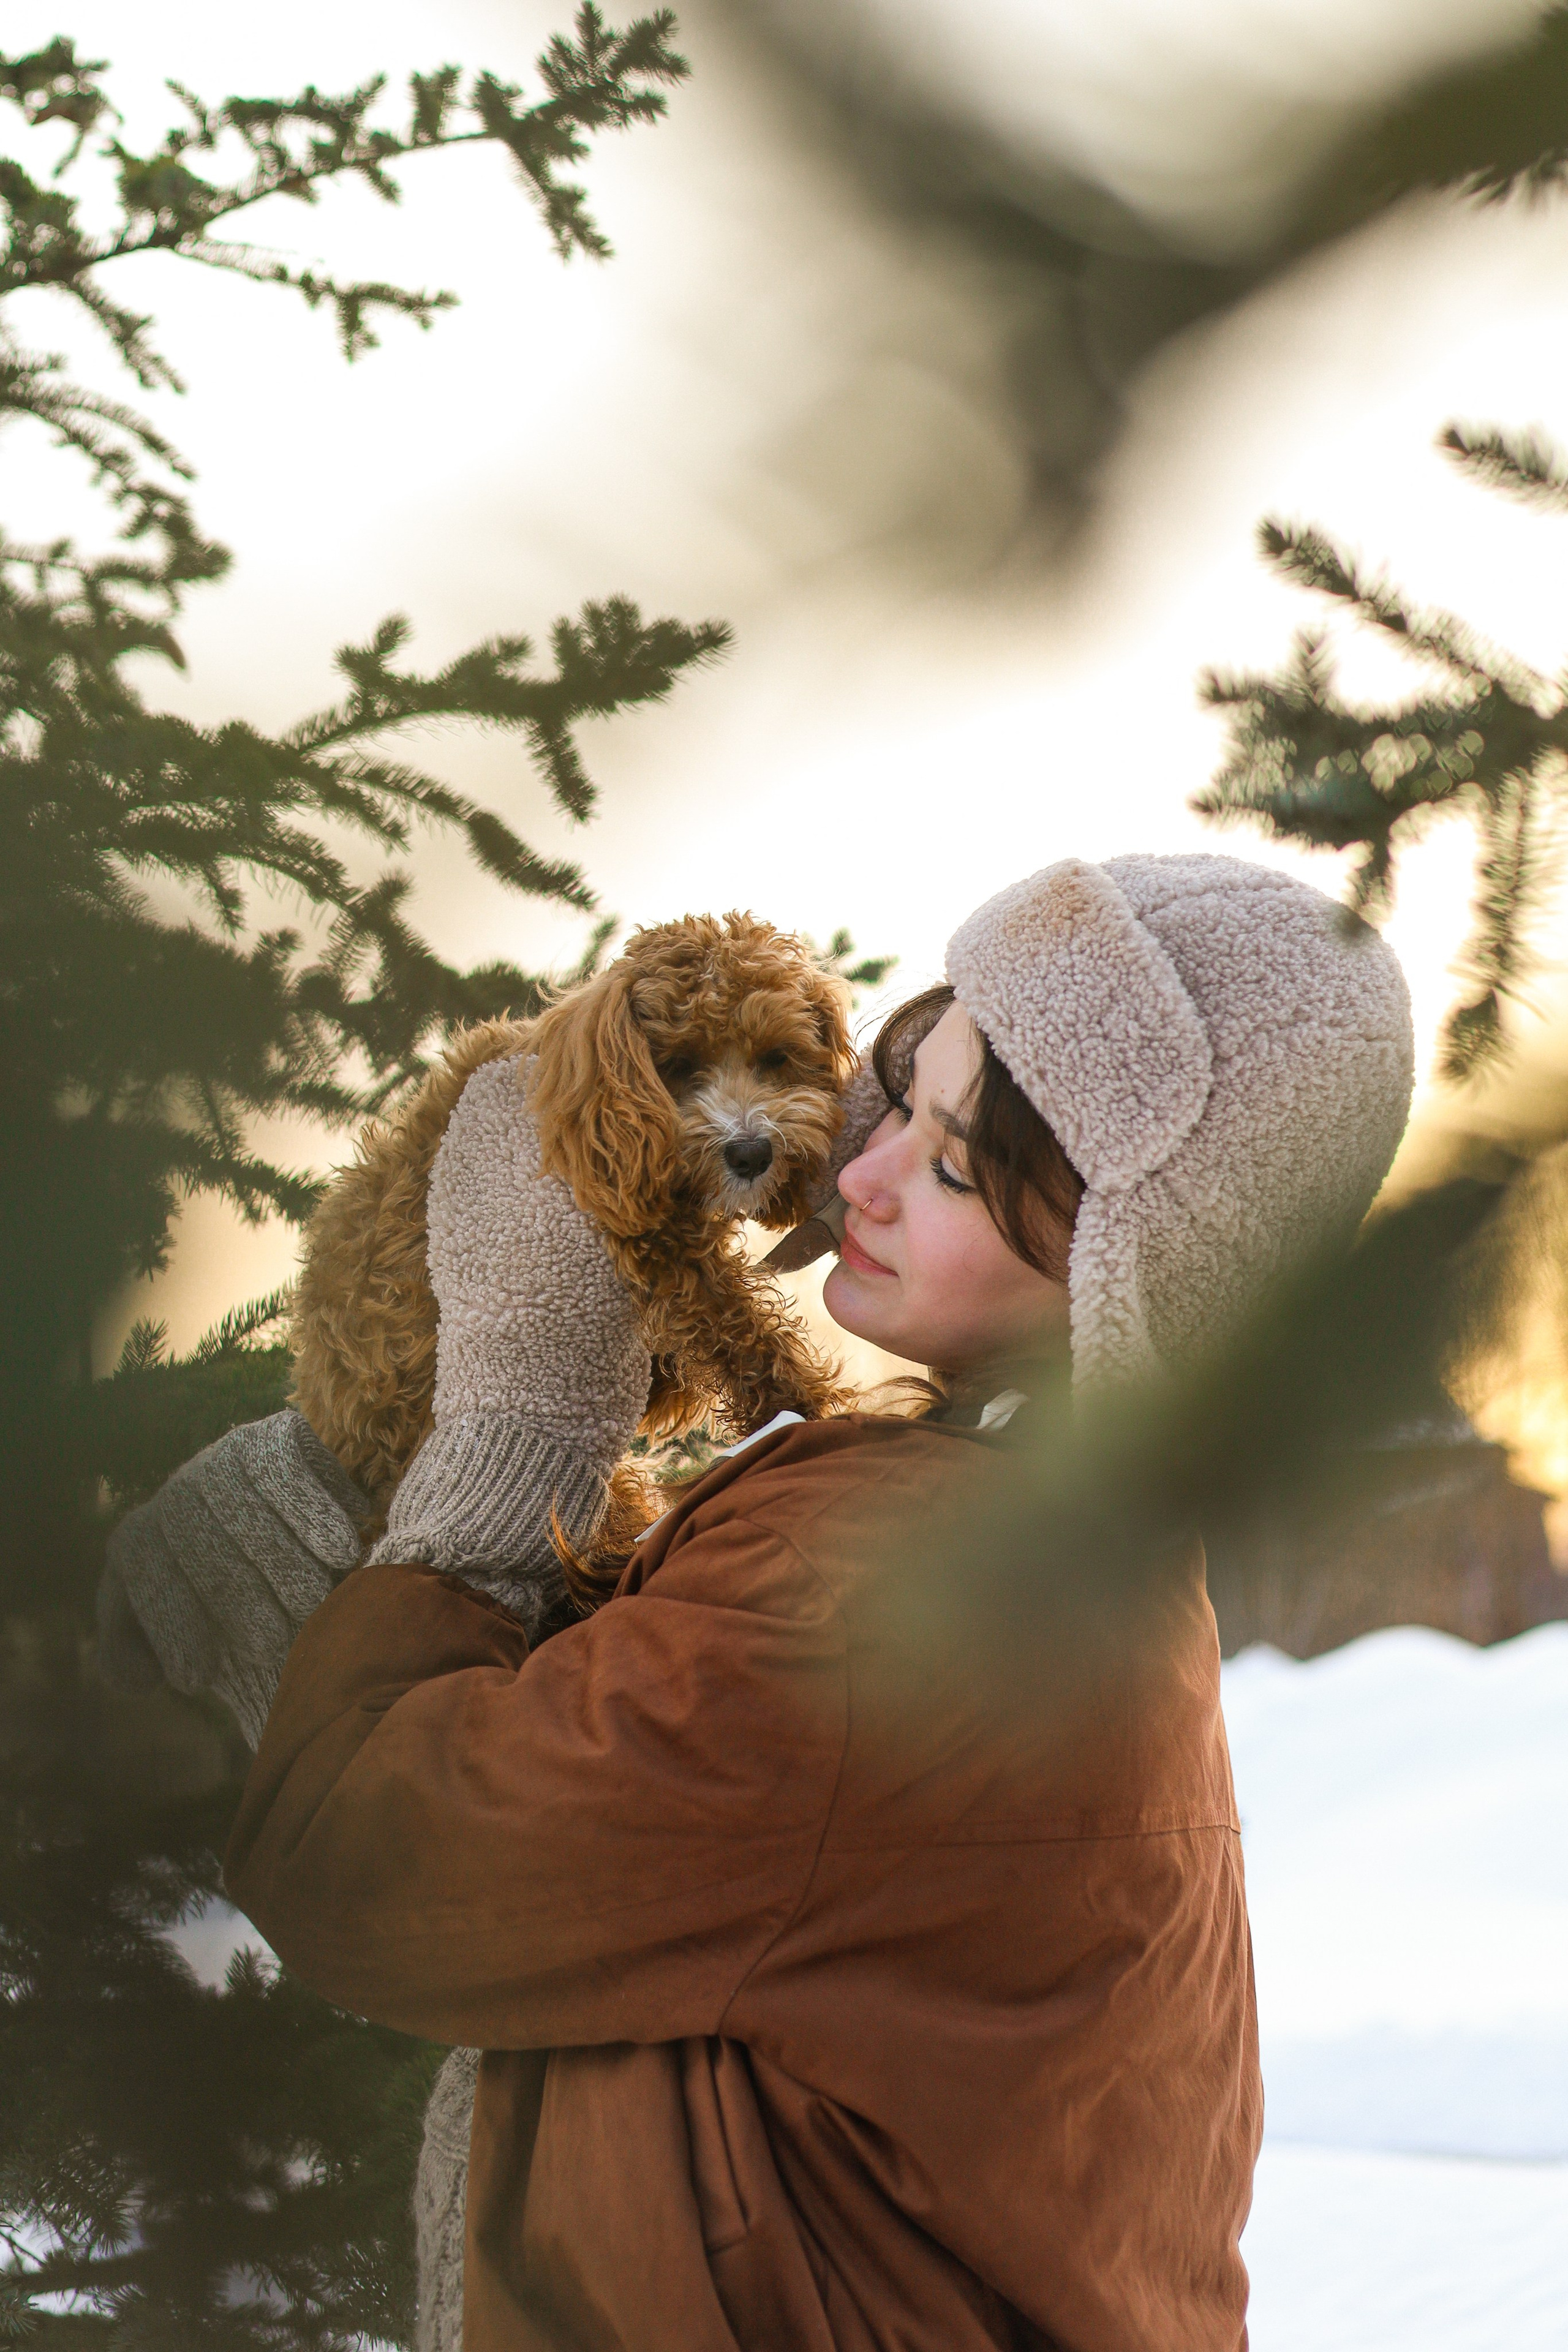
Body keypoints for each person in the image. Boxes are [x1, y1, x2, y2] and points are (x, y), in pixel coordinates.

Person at [103, 852, 1414, 2352]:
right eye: (900, 1098)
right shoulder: (1070, 1549)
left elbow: (361, 1872)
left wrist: (518, 1418)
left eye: (948, 1167)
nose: (853, 1174)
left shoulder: (877, 1597)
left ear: (1130, 1264)